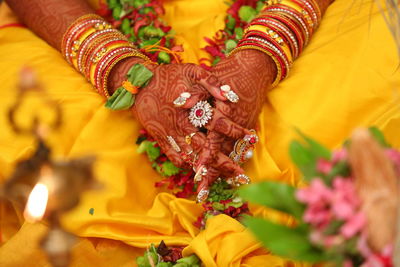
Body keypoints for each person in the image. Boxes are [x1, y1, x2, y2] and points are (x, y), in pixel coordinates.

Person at [0, 0, 398, 266]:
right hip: (85, 20)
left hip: (288, 13)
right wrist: (123, 71)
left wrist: (266, 48)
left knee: (341, 116)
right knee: (70, 158)